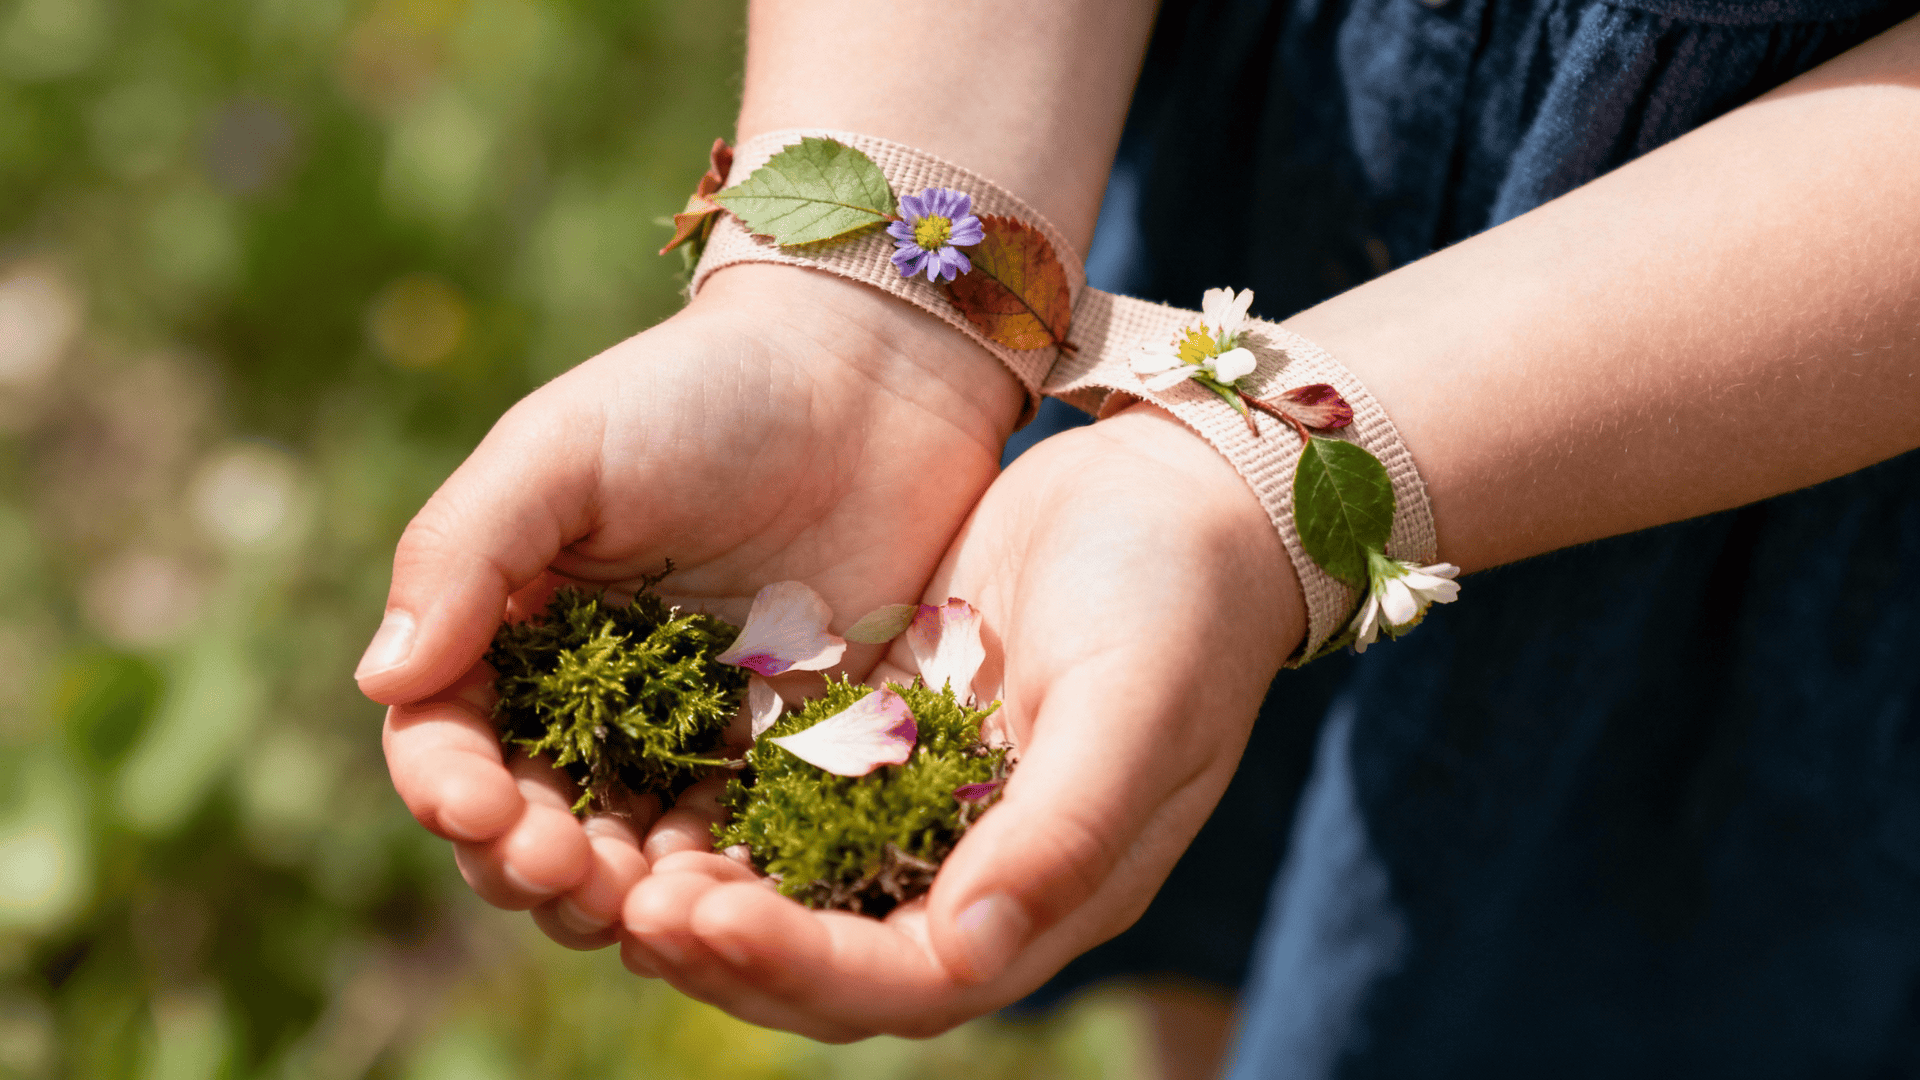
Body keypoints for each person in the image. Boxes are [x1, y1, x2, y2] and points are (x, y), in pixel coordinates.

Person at [361, 0, 1920, 1070]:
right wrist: (850, 307)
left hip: (1776, 394)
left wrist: (1255, 477)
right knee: (1249, 967)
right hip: (1264, 147)